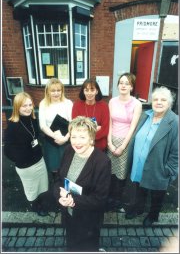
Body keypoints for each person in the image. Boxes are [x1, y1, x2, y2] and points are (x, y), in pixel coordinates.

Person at [53, 116, 111, 252]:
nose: (77, 142)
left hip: (88, 219)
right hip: (68, 213)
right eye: (73, 137)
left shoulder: (102, 162)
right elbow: (58, 180)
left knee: (88, 247)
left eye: (82, 137)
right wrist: (59, 197)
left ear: (91, 139)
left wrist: (72, 200)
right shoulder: (68, 151)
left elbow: (100, 200)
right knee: (72, 244)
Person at [126, 86, 178, 226]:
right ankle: (138, 209)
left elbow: (176, 150)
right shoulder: (146, 115)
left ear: (169, 103)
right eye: (155, 99)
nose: (159, 102)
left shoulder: (175, 122)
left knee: (157, 194)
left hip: (158, 166)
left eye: (163, 100)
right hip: (139, 163)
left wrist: (169, 170)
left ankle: (153, 215)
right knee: (139, 188)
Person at [4, 92, 49, 216]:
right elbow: (7, 151)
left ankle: (40, 202)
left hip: (39, 160)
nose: (28, 108)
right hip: (26, 166)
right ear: (17, 107)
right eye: (24, 106)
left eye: (30, 105)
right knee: (32, 189)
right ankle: (35, 207)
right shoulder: (12, 126)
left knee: (42, 184)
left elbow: (35, 136)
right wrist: (22, 159)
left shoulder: (33, 119)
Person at [107, 72, 142, 210]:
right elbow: (110, 123)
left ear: (131, 87)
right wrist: (109, 142)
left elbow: (133, 127)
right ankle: (109, 200)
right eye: (121, 82)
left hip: (125, 142)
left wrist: (122, 146)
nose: (123, 85)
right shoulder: (112, 101)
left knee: (121, 174)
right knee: (110, 172)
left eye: (127, 83)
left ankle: (117, 201)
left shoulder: (136, 104)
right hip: (112, 140)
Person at [39, 78, 73, 181]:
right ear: (48, 91)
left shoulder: (68, 103)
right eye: (53, 91)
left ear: (62, 91)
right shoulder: (43, 103)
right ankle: (56, 187)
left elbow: (72, 123)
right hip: (51, 140)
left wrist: (65, 138)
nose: (56, 93)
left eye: (59, 90)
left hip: (66, 139)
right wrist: (55, 136)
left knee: (67, 166)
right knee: (54, 167)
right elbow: (43, 125)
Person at [72, 79, 109, 151]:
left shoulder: (104, 106)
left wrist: (86, 132)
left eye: (92, 90)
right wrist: (95, 129)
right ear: (83, 91)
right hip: (82, 146)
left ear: (96, 91)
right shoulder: (77, 105)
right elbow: (76, 127)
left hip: (99, 146)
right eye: (86, 90)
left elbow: (105, 129)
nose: (89, 93)